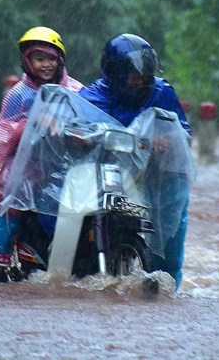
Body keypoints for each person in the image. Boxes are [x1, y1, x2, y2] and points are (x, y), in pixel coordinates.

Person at [0, 26, 83, 287]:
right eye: (39, 59)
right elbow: (2, 132)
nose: (46, 65)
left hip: (63, 164)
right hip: (25, 164)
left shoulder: (74, 90)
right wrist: (32, 124)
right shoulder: (19, 94)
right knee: (14, 202)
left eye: (51, 58)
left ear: (60, 60)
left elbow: (88, 118)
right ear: (27, 61)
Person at [78, 33, 193, 290]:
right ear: (115, 75)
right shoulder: (92, 96)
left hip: (160, 174)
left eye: (146, 77)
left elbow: (184, 131)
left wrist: (167, 138)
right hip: (110, 175)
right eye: (134, 77)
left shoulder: (162, 92)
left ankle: (167, 290)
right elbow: (73, 127)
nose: (141, 82)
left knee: (169, 241)